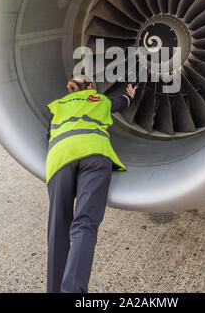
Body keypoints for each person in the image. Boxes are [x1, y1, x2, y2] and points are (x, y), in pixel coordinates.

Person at [45, 74, 138, 293]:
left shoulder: (58, 105)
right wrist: (129, 94)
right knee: (85, 224)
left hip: (60, 157)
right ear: (90, 87)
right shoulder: (98, 100)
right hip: (94, 154)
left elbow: (48, 135)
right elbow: (121, 102)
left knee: (58, 227)